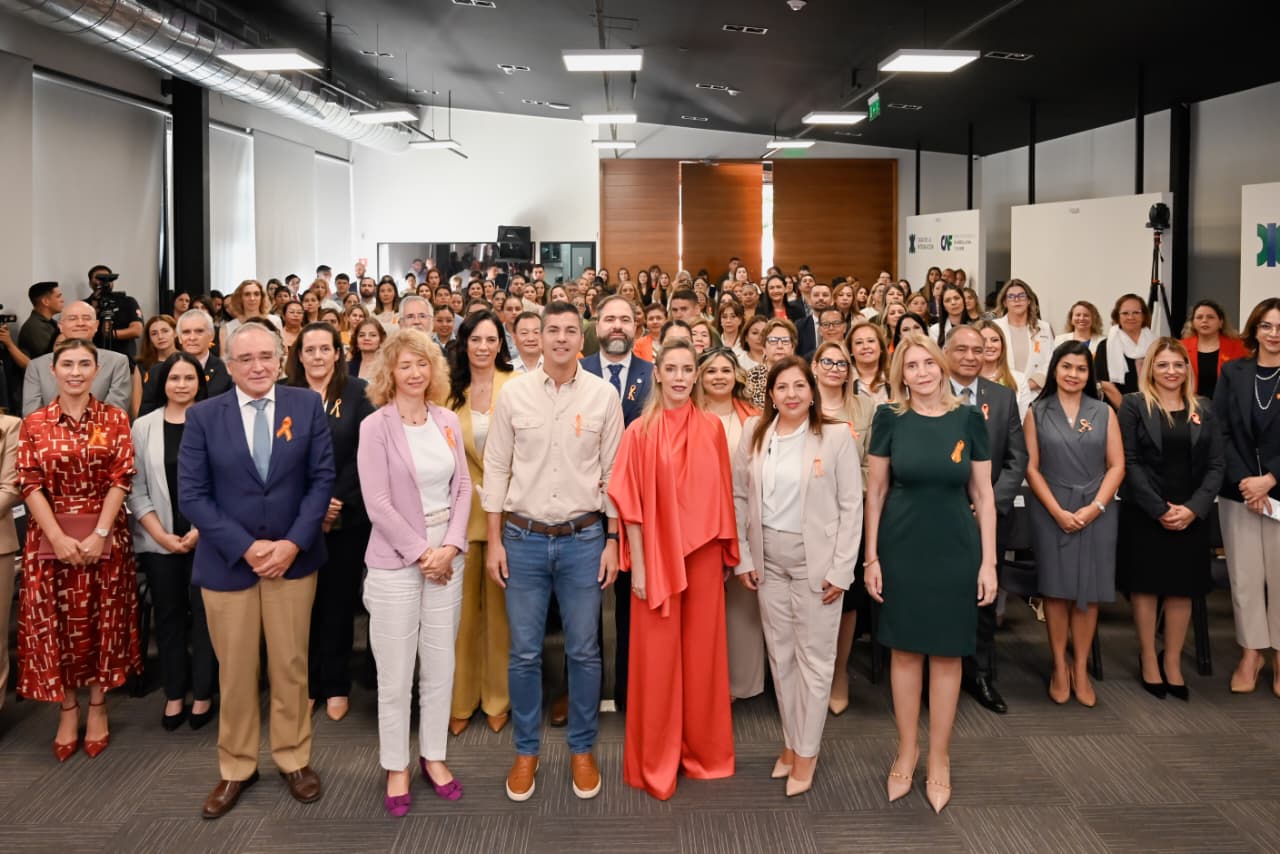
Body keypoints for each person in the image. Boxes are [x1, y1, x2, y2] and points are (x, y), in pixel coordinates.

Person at [178, 323, 336, 819]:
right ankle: (237, 767)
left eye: (267, 356)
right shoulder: (204, 416)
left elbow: (321, 480)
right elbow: (192, 496)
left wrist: (291, 543)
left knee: (290, 665)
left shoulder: (306, 406)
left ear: (281, 357)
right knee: (237, 671)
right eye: (246, 359)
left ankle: (293, 758)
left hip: (294, 560)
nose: (258, 366)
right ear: (228, 365)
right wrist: (247, 548)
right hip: (229, 565)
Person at [483, 300, 623, 803]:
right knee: (523, 653)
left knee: (584, 651)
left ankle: (582, 748)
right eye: (552, 331)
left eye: (569, 331)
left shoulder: (604, 396)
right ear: (536, 338)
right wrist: (494, 540)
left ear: (579, 340)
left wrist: (612, 541)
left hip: (585, 541)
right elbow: (496, 469)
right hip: (521, 540)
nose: (561, 338)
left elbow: (614, 476)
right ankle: (526, 751)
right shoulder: (515, 395)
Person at [863, 333, 997, 813]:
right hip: (901, 547)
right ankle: (907, 749)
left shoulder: (968, 419)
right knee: (903, 653)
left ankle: (939, 756)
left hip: (956, 548)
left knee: (946, 655)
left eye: (928, 364)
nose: (921, 372)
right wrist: (871, 557)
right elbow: (875, 493)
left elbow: (983, 496)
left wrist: (989, 562)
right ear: (901, 374)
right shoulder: (887, 418)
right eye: (911, 366)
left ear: (941, 368)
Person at [608, 339, 738, 800]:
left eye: (688, 369)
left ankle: (702, 753)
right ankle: (657, 757)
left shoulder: (712, 428)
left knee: (702, 660)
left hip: (703, 557)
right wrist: (638, 567)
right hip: (655, 559)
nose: (681, 377)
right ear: (657, 374)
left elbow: (722, 492)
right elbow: (630, 506)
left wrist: (725, 553)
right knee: (658, 663)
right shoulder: (638, 432)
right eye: (673, 369)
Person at [733, 356, 862, 797]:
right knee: (781, 656)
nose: (791, 394)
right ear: (770, 395)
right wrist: (745, 557)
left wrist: (843, 570)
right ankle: (791, 742)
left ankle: (807, 751)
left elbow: (851, 507)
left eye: (799, 386)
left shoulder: (837, 436)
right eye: (781, 387)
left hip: (817, 562)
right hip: (768, 558)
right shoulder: (755, 433)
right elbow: (738, 496)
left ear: (812, 392)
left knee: (815, 660)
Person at [357, 328, 469, 816]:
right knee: (396, 672)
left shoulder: (446, 421)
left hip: (448, 556)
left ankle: (434, 756)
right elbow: (377, 503)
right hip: (396, 563)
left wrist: (450, 548)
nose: (415, 373)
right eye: (405, 365)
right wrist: (425, 553)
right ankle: (396, 763)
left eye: (422, 364)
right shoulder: (376, 426)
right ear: (390, 372)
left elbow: (464, 488)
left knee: (441, 667)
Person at [17, 338, 139, 761]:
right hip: (49, 539)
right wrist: (56, 537)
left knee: (100, 622)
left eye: (84, 364)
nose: (75, 371)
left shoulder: (114, 417)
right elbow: (29, 483)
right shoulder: (34, 423)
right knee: (58, 626)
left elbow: (122, 476)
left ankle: (99, 705)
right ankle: (68, 710)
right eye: (66, 364)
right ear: (53, 371)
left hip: (104, 535)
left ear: (96, 370)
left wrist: (101, 532)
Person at [1118, 338, 1224, 701]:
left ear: (1187, 369)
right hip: (1146, 512)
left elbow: (1216, 465)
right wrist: (1159, 509)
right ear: (1151, 368)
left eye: (1178, 365)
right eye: (1163, 365)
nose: (1171, 371)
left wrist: (1193, 508)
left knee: (1183, 589)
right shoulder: (1133, 405)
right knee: (1146, 587)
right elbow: (1128, 461)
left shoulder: (1204, 408)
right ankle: (1149, 656)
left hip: (1191, 513)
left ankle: (1173, 660)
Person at [1024, 341, 1124, 707]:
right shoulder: (1037, 411)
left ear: (1089, 374)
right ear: (1054, 369)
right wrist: (1056, 511)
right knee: (1056, 589)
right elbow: (1031, 468)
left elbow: (1117, 465)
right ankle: (1058, 664)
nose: (1073, 375)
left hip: (1096, 510)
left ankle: (1080, 667)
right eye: (1066, 367)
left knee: (1089, 590)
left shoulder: (1103, 412)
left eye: (1081, 369)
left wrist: (1096, 506)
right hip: (1052, 508)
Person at [285, 322, 375, 722]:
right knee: (301, 604)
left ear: (338, 354)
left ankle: (336, 683)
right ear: (299, 355)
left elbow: (366, 453)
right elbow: (278, 458)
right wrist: (311, 505)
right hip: (296, 518)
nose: (318, 356)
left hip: (347, 514)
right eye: (310, 349)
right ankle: (308, 683)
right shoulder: (284, 395)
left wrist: (335, 500)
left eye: (326, 349)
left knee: (338, 603)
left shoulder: (357, 393)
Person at [129, 353, 215, 731]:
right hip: (158, 538)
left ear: (200, 381)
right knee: (168, 617)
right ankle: (175, 692)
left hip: (208, 539)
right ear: (161, 382)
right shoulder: (143, 426)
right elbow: (136, 489)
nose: (182, 384)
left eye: (189, 377)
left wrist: (201, 529)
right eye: (174, 377)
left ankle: (204, 692)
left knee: (206, 619)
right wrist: (161, 535)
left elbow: (225, 483)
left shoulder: (214, 421)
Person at [945, 326, 1028, 714]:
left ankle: (979, 675)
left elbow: (1016, 459)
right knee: (941, 595)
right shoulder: (929, 392)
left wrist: (990, 501)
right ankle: (941, 674)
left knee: (983, 598)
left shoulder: (1002, 397)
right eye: (960, 349)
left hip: (986, 518)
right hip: (939, 515)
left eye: (977, 350)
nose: (969, 356)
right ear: (946, 352)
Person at [580, 294, 654, 713]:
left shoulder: (654, 374)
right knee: (584, 608)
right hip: (587, 506)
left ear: (636, 327)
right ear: (597, 324)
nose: (617, 327)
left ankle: (628, 693)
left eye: (625, 320)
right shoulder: (579, 370)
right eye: (610, 319)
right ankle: (585, 695)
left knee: (630, 604)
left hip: (639, 509)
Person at [445, 311, 516, 736]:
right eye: (476, 339)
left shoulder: (517, 387)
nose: (484, 347)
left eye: (491, 339)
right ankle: (460, 698)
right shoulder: (447, 392)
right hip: (457, 515)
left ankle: (497, 698)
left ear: (500, 344)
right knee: (460, 618)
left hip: (508, 514)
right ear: (464, 343)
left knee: (502, 617)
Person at [1212, 297, 1280, 695]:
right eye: (1267, 326)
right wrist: (1247, 482)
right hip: (1238, 492)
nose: (1274, 334)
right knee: (1245, 577)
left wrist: (1270, 479)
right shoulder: (1234, 372)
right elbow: (1219, 431)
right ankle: (1251, 653)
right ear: (1254, 330)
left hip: (1278, 490)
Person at [810, 342, 875, 716]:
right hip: (806, 514)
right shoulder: (800, 401)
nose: (835, 368)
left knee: (844, 599)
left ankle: (838, 673)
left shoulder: (865, 407)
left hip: (851, 514)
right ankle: (812, 671)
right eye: (827, 362)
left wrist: (846, 485)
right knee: (807, 592)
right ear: (815, 366)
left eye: (842, 363)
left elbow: (872, 464)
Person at [696, 346, 764, 700]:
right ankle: (705, 682)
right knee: (704, 608)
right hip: (701, 520)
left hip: (743, 518)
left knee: (741, 605)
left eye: (725, 370)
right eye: (711, 371)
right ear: (699, 377)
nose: (719, 376)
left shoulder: (753, 416)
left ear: (736, 375)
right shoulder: (688, 414)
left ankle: (741, 684)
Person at [23, 301, 133, 416]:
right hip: (48, 432)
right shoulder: (37, 366)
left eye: (86, 318)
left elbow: (115, 413)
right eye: (72, 318)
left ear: (96, 325)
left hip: (100, 432)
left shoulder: (118, 362)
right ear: (60, 326)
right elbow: (31, 415)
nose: (80, 323)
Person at [138, 309, 233, 417]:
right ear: (179, 337)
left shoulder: (226, 371)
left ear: (211, 335)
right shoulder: (158, 372)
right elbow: (145, 418)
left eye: (199, 331)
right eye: (186, 332)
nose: (192, 338)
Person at [993, 279, 1054, 393]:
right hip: (1002, 390)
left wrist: (1030, 384)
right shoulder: (995, 327)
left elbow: (1051, 360)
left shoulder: (1044, 328)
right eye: (1011, 296)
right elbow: (989, 359)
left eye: (1021, 295)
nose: (1017, 300)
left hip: (1035, 393)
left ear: (1029, 300)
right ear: (1005, 302)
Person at [1181, 299, 1248, 399]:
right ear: (1193, 323)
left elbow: (1247, 379)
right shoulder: (1181, 347)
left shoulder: (1238, 347)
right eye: (1199, 317)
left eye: (1210, 317)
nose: (1204, 320)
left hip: (1228, 406)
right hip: (1192, 406)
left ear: (1221, 322)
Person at [1097, 293, 1154, 409]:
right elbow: (1107, 386)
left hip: (1153, 407)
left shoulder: (1156, 344)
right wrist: (1129, 412)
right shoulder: (1105, 346)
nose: (1130, 317)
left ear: (1144, 315)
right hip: (1119, 410)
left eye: (1136, 313)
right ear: (1117, 317)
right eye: (1125, 313)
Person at [218, 279, 283, 355]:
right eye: (247, 294)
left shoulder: (275, 321)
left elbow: (282, 352)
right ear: (240, 298)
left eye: (256, 294)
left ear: (262, 297)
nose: (252, 298)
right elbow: (225, 360)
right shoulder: (227, 328)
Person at [133, 314, 178, 417]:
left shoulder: (187, 360)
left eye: (165, 331)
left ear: (175, 333)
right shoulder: (142, 365)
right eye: (154, 333)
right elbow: (137, 406)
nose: (160, 337)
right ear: (149, 339)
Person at [746, 318, 797, 409]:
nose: (780, 346)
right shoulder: (750, 378)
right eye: (773, 341)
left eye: (785, 340)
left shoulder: (803, 376)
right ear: (764, 348)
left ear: (792, 347)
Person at [848, 318, 890, 405]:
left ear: (881, 347)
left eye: (871, 341)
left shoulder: (894, 379)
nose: (865, 346)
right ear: (851, 350)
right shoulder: (844, 381)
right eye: (859, 342)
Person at [19, 281, 64, 360]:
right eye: (58, 297)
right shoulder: (34, 327)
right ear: (45, 301)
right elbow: (50, 357)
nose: (62, 300)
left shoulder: (50, 322)